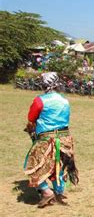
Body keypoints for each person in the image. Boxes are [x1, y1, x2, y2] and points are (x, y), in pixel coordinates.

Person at [23, 72, 79, 208]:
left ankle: (47, 192)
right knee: (59, 166)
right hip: (65, 139)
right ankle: (59, 192)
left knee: (30, 165)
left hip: (46, 139)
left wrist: (32, 129)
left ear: (44, 84)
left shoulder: (40, 100)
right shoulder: (65, 100)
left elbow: (31, 119)